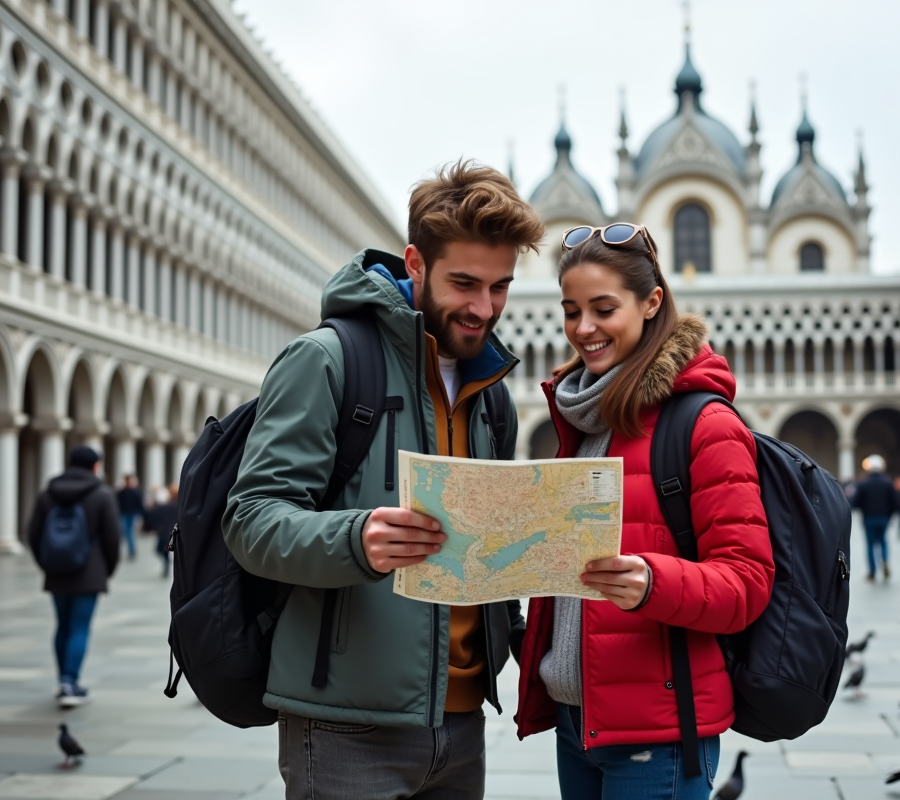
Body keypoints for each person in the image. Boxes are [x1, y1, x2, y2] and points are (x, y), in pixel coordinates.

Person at [224, 160, 544, 800]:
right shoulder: (327, 360)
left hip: (463, 724)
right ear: (415, 264)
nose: (484, 308)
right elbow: (252, 518)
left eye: (500, 286)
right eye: (464, 283)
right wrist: (357, 538)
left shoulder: (492, 396)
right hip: (345, 723)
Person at [514, 223, 774, 800]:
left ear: (652, 301)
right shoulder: (581, 420)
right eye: (571, 310)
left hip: (660, 733)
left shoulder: (704, 425)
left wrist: (653, 580)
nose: (584, 329)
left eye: (603, 308)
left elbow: (747, 584)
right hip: (577, 722)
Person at [26, 446, 120, 707]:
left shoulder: (48, 494)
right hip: (89, 573)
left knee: (62, 626)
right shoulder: (102, 494)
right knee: (80, 627)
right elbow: (112, 538)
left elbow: (33, 533)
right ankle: (71, 683)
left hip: (56, 571)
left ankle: (62, 681)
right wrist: (107, 569)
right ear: (95, 466)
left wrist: (46, 563)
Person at [852, 455, 899, 581]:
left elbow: (856, 502)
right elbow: (895, 503)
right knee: (883, 541)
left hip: (868, 518)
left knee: (870, 545)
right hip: (883, 517)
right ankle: (884, 561)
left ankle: (872, 572)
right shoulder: (888, 482)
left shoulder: (863, 483)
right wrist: (890, 515)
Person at [144, 483, 179, 579]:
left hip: (165, 531)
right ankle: (167, 561)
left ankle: (167, 562)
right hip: (171, 531)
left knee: (161, 549)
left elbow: (152, 515)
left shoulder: (166, 506)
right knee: (164, 549)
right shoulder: (178, 506)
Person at [115, 474, 144, 560]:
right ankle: (128, 550)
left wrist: (141, 513)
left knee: (130, 532)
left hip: (132, 513)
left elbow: (139, 503)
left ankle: (132, 550)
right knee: (124, 531)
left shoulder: (135, 492)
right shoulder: (121, 492)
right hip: (124, 513)